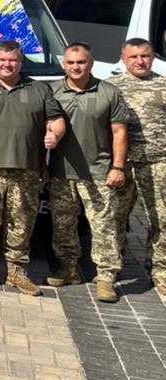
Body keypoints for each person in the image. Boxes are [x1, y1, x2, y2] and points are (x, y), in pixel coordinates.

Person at [0, 41, 66, 295]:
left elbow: (56, 119)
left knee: (21, 223)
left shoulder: (38, 89)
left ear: (21, 62)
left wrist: (54, 135)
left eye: (13, 60)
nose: (7, 64)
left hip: (27, 169)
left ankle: (17, 272)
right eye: (2, 60)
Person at [49, 42, 132, 302]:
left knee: (103, 227)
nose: (76, 67)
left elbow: (120, 132)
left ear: (91, 63)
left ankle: (106, 278)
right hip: (61, 172)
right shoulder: (51, 91)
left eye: (81, 62)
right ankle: (69, 269)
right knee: (63, 225)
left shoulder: (109, 92)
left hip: (98, 171)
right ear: (64, 64)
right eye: (71, 62)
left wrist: (118, 167)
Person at [108, 38, 166, 297]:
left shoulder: (163, 85)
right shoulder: (112, 88)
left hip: (158, 162)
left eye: (145, 56)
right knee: (116, 217)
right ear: (123, 57)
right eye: (134, 57)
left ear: (152, 57)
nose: (140, 61)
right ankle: (111, 268)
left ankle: (160, 270)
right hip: (122, 164)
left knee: (161, 219)